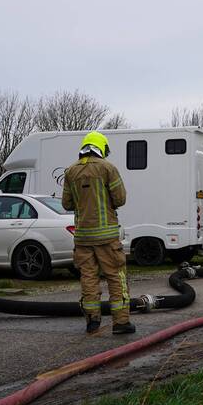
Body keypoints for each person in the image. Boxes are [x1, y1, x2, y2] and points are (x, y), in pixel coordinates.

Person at [62, 131, 135, 335]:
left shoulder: (70, 172)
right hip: (107, 237)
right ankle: (121, 323)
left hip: (83, 238)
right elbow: (120, 199)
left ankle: (92, 321)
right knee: (116, 277)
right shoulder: (107, 168)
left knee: (88, 278)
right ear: (101, 148)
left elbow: (66, 204)